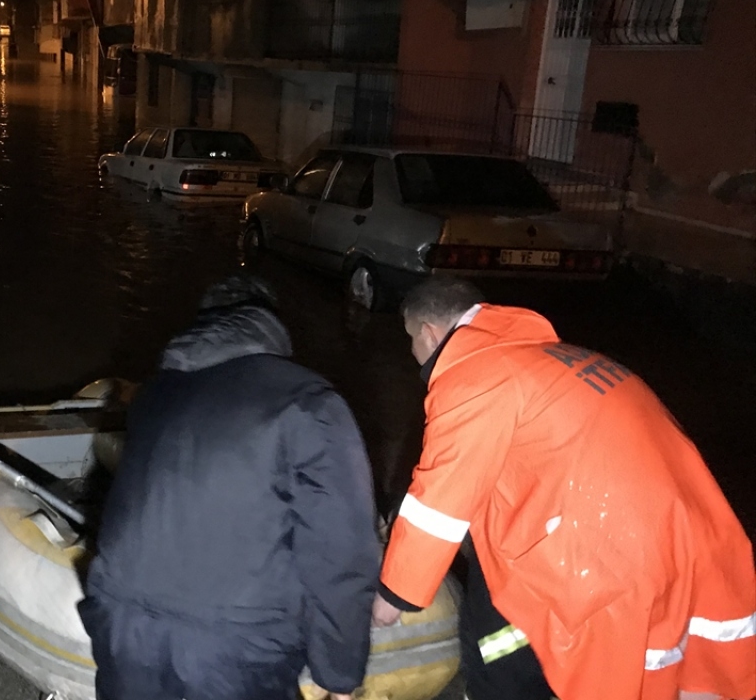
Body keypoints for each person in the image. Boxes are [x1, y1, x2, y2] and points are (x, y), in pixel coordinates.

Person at [372, 276, 756, 700]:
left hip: (600, 556)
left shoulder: (474, 375)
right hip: (686, 535)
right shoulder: (562, 357)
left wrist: (394, 597)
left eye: (411, 341)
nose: (413, 354)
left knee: (504, 651)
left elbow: (441, 499)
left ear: (427, 332)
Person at [79, 274, 380, 700]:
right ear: (270, 326)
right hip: (234, 643)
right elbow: (340, 550)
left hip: (122, 619)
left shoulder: (155, 394)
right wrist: (339, 674)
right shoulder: (306, 401)